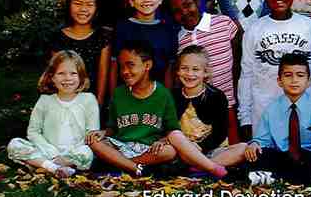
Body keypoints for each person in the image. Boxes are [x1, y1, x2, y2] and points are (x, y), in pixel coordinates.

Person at [86, 40, 228, 178]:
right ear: (177, 71)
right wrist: (103, 132)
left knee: (171, 150)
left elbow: (217, 133)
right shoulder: (119, 93)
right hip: (127, 146)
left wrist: (197, 146)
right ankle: (134, 168)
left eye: (130, 65)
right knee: (94, 141)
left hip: (166, 150)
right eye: (121, 67)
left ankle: (119, 163)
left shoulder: (165, 94)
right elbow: (113, 128)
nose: (125, 71)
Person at [238, 0, 311, 140]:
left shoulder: (309, 27)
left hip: (303, 112)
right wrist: (245, 118)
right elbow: (246, 75)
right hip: (263, 110)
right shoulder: (254, 30)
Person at [245, 53, 311, 186]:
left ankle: (274, 176)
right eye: (288, 75)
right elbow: (263, 140)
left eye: (300, 75)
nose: (294, 80)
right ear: (279, 81)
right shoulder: (271, 110)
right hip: (281, 156)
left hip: (308, 156)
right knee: (257, 154)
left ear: (309, 81)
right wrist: (255, 144)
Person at [167, 0, 242, 143]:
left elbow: (239, 60)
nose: (184, 12)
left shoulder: (224, 23)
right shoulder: (178, 39)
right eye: (177, 11)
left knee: (230, 147)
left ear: (197, 1)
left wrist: (237, 89)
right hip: (195, 111)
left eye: (187, 5)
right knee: (198, 148)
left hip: (228, 104)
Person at [7, 51, 99, 177]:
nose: (67, 78)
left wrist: (68, 156)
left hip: (75, 152)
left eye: (73, 73)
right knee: (15, 144)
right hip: (47, 151)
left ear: (81, 77)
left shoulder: (88, 99)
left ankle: (49, 165)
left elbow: (92, 133)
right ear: (52, 77)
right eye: (61, 73)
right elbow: (33, 131)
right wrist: (53, 153)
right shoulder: (45, 101)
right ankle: (54, 168)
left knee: (88, 151)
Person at [172, 46, 247, 173]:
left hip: (211, 150)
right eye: (184, 68)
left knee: (243, 148)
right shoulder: (173, 96)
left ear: (205, 72)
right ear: (178, 71)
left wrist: (200, 147)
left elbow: (220, 133)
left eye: (196, 69)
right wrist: (187, 147)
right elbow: (169, 127)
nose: (189, 74)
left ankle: (196, 168)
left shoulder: (216, 96)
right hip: (183, 151)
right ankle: (204, 168)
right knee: (169, 149)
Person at [111, 0, 177, 94]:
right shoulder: (122, 28)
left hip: (158, 96)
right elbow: (114, 65)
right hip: (127, 95)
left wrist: (167, 98)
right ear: (131, 1)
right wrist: (113, 97)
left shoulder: (168, 30)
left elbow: (169, 69)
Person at [49, 0, 112, 109]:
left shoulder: (103, 36)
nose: (83, 9)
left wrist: (98, 103)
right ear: (69, 5)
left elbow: (103, 73)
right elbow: (56, 73)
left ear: (97, 8)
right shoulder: (58, 36)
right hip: (65, 99)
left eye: (90, 4)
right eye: (78, 4)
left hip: (92, 100)